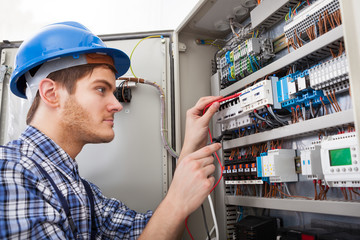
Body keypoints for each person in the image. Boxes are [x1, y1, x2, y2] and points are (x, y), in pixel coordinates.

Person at [0, 21, 222, 239]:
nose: (116, 105)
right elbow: (169, 214)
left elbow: (150, 230)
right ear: (51, 93)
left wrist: (189, 147)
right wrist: (176, 202)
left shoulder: (81, 190)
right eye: (100, 89)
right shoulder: (9, 172)